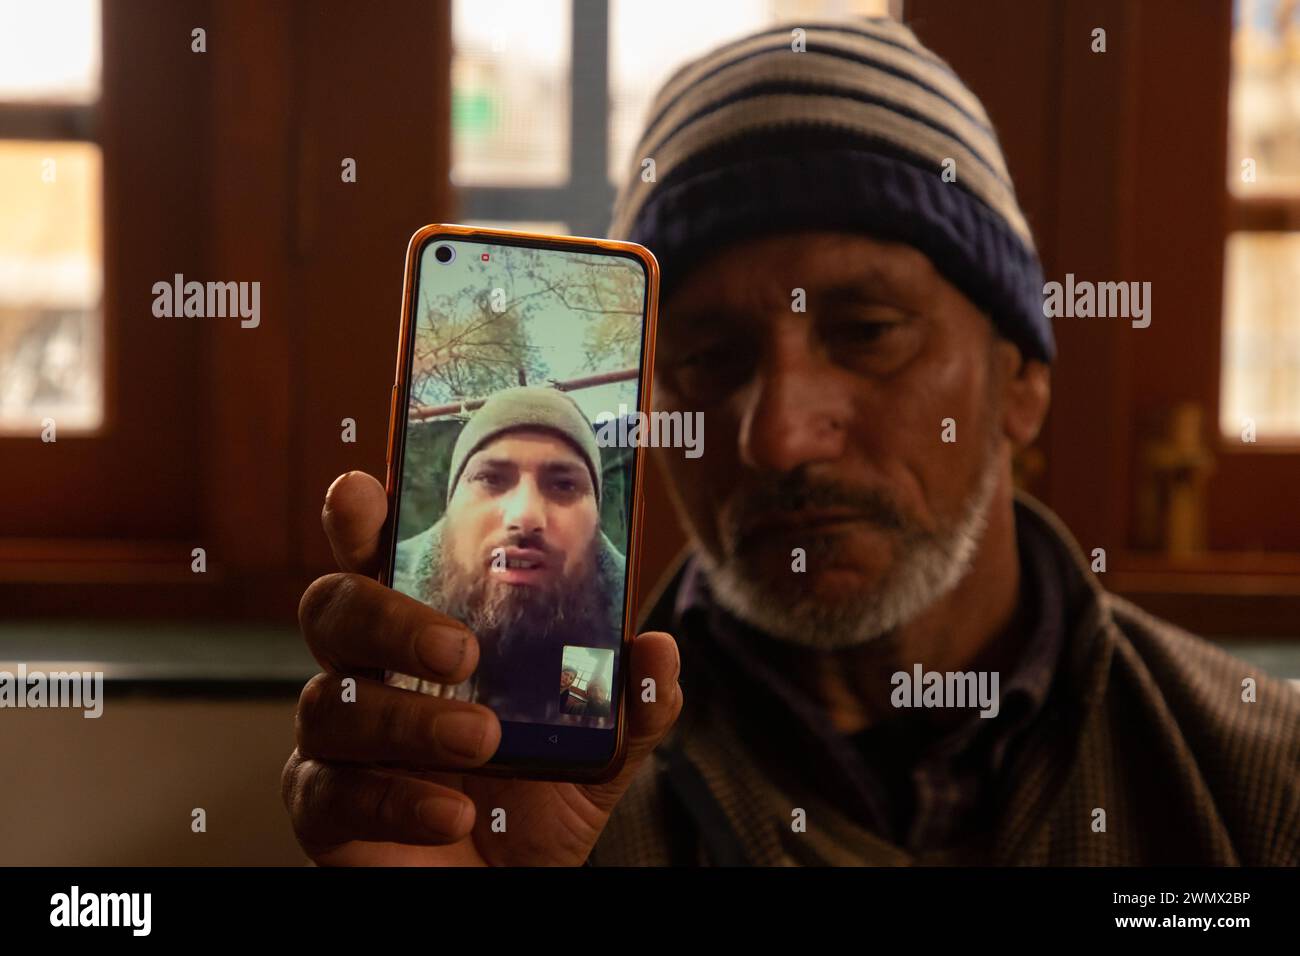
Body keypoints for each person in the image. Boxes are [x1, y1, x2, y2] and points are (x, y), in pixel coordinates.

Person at [284, 17, 1299, 866]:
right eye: (709, 355)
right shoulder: (539, 800)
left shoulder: (1256, 782)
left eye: (865, 332)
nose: (775, 433)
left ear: (1020, 380)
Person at [387, 386, 626, 722]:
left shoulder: (608, 622)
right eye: (491, 478)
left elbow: (585, 727)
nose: (525, 516)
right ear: (450, 510)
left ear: (596, 526)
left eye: (563, 485)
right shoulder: (392, 602)